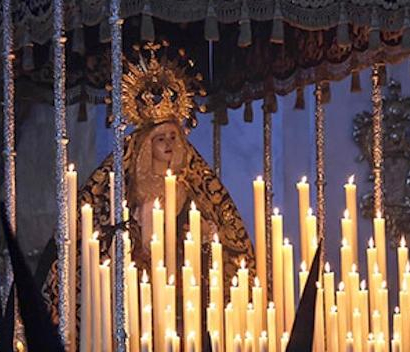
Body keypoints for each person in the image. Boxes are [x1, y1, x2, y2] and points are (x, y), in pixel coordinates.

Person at [44, 42, 254, 328]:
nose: (168, 144)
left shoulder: (191, 187)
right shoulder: (127, 189)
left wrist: (206, 235)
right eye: (160, 138)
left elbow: (216, 231)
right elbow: (101, 234)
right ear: (146, 146)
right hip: (136, 288)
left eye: (172, 136)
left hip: (182, 287)